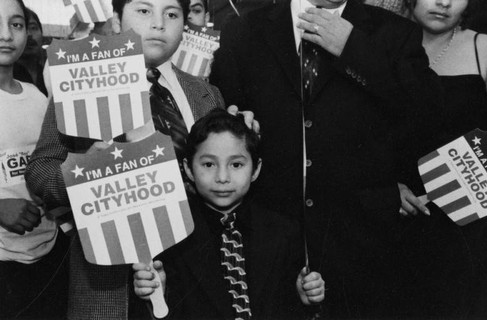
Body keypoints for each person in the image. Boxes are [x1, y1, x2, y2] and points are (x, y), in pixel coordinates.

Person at [209, 0, 462, 318]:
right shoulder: (244, 30)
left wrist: (354, 49)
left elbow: (428, 116)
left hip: (362, 245)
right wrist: (236, 123)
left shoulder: (394, 32)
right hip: (271, 239)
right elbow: (222, 120)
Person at [25, 0, 224, 318]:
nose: (158, 23)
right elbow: (40, 169)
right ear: (116, 20)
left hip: (194, 275)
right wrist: (82, 171)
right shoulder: (81, 85)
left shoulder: (206, 94)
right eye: (144, 11)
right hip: (109, 286)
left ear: (184, 24)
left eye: (171, 14)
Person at [133, 109, 325, 319]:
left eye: (236, 164)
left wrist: (303, 298)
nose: (222, 177)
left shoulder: (283, 231)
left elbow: (287, 308)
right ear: (188, 169)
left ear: (255, 169)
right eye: (208, 164)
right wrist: (158, 296)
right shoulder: (171, 235)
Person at [398, 0, 487, 317]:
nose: (444, 2)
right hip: (404, 220)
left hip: (476, 227)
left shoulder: (483, 47)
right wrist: (389, 186)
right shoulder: (382, 48)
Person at [0, 0, 68, 318]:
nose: (6, 35)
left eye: (15, 24)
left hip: (49, 257)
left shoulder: (37, 97)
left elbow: (50, 168)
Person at [13, 7, 48, 96]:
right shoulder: (5, 76)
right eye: (19, 27)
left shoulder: (51, 71)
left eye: (33, 28)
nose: (29, 34)